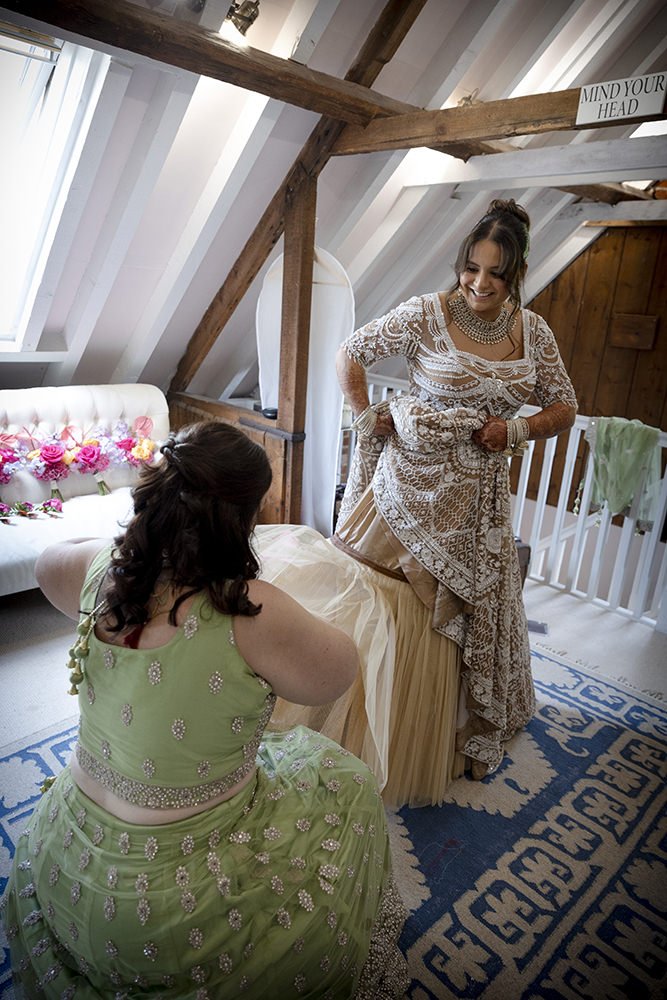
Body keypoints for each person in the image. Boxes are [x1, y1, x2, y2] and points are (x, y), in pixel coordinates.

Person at [1, 421, 408, 998]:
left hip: (63, 865)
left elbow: (48, 562)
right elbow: (338, 672)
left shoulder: (106, 577)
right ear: (242, 518)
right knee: (343, 778)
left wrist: (126, 552)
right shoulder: (249, 609)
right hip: (166, 909)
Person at [263, 198, 577, 808]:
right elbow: (348, 353)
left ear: (516, 275)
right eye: (472, 268)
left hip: (478, 500)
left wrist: (514, 431)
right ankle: (358, 731)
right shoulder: (427, 314)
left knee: (462, 617)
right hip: (407, 486)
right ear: (460, 264)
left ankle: (438, 733)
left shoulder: (533, 333)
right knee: (384, 603)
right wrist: (363, 414)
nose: (480, 284)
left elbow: (564, 407)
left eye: (496, 274)